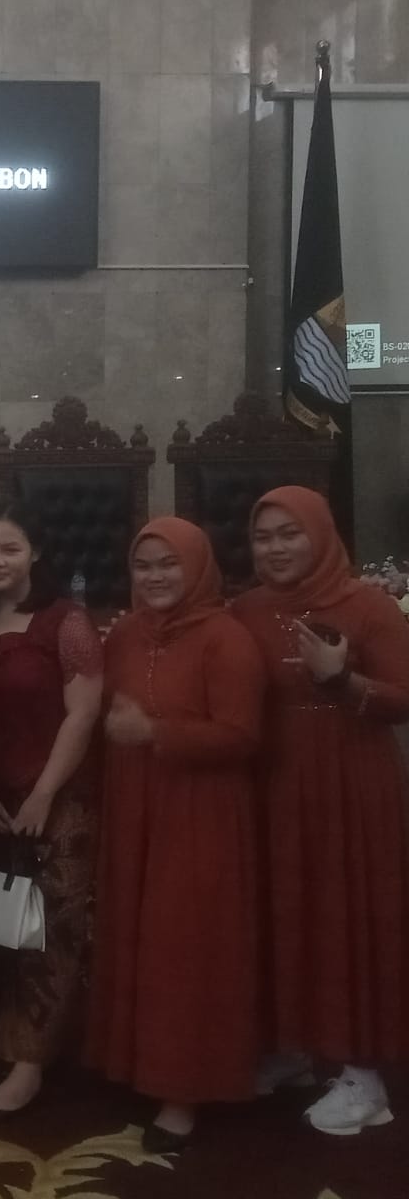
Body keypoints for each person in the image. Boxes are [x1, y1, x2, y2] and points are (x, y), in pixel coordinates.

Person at [230, 486, 409, 1136]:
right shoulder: (246, 609)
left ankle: (364, 1074)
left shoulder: (367, 605)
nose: (274, 548)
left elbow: (405, 696)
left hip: (349, 784)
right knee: (283, 912)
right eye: (263, 537)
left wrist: (342, 679)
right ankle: (294, 1048)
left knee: (345, 915)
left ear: (322, 533)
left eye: (289, 533)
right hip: (273, 781)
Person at [85, 517, 264, 1152]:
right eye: (144, 566)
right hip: (135, 805)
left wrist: (156, 733)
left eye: (169, 564)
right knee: (135, 934)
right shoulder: (125, 633)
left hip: (200, 812)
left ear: (198, 568)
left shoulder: (226, 639)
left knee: (184, 945)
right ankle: (140, 1066)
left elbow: (242, 736)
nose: (155, 577)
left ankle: (183, 1092)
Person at [0, 500, 103, 1120]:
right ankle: (2, 1046)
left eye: (10, 549)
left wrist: (45, 793)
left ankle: (30, 1065)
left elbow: (84, 712)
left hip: (58, 799)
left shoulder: (64, 621)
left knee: (51, 931)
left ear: (36, 553)